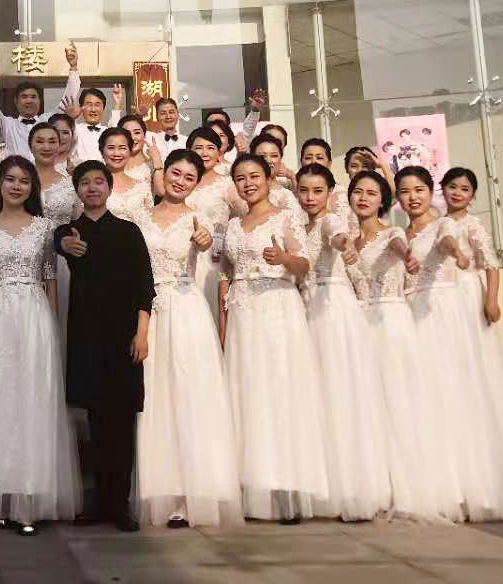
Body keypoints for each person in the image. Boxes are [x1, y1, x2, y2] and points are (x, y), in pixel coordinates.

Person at [398, 166, 503, 521]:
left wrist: (460, 256)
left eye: (419, 190)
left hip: (445, 309)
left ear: (430, 192)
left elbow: (450, 243)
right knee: (426, 396)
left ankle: (468, 484)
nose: (413, 197)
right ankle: (435, 479)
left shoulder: (449, 225)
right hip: (415, 311)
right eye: (405, 191)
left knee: (453, 390)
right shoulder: (402, 232)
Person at [0, 156, 81, 536]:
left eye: (24, 181)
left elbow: (49, 278)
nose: (17, 186)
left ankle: (29, 498)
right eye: (10, 179)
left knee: (32, 400)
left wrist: (54, 326)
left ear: (32, 188)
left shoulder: (44, 228)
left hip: (34, 315)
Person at [134, 150, 243, 528]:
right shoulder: (140, 217)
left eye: (189, 177)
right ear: (163, 175)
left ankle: (190, 492)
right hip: (148, 312)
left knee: (189, 395)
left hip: (185, 311)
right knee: (153, 398)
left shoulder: (200, 219)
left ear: (197, 183)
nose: (180, 181)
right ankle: (157, 489)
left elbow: (207, 242)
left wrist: (203, 238)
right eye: (175, 173)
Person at [219, 154, 328, 523]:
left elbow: (304, 263)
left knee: (279, 392)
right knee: (248, 393)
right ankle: (254, 490)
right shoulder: (233, 224)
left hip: (277, 307)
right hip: (242, 311)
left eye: (254, 176)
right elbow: (227, 271)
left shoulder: (286, 216)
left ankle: (287, 492)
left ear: (268, 179)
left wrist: (283, 258)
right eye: (240, 178)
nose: (248, 183)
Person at [54, 160, 154, 532]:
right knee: (95, 421)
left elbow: (145, 285)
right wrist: (63, 244)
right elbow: (55, 239)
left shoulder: (129, 231)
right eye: (85, 182)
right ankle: (98, 503)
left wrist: (141, 333)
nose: (92, 187)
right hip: (87, 335)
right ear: (77, 190)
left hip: (124, 336)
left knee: (122, 421)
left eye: (99, 181)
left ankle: (120, 505)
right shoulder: (70, 232)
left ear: (110, 188)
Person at [345, 170, 449, 522]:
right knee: (368, 407)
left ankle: (408, 489)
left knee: (397, 402)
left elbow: (401, 249)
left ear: (382, 201)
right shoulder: (349, 242)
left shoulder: (392, 234)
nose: (363, 198)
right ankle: (377, 486)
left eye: (371, 193)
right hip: (359, 324)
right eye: (358, 192)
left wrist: (409, 257)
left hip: (389, 322)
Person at [296, 164, 391, 521]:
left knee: (342, 396)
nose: (310, 197)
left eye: (318, 190)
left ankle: (354, 487)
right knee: (319, 398)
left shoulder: (331, 221)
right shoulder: (300, 226)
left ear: (330, 193)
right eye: (304, 190)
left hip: (333, 312)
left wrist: (346, 247)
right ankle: (327, 485)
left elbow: (337, 236)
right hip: (309, 311)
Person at [441, 167, 503, 477]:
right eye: (452, 186)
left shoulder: (473, 224)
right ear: (442, 189)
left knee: (477, 362)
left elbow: (491, 265)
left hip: (468, 295)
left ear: (472, 195)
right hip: (444, 299)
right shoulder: (438, 223)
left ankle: (494, 445)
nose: (457, 193)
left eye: (464, 189)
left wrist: (491, 300)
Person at [0, 43, 80, 159]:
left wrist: (73, 67)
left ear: (40, 101)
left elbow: (68, 100)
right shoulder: (7, 125)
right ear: (16, 101)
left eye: (33, 97)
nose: (29, 100)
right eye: (24, 97)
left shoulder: (48, 121)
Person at [184, 127, 244, 322]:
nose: (204, 153)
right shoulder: (181, 182)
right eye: (198, 147)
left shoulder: (227, 184)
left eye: (210, 148)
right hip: (184, 256)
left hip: (214, 260)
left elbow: (245, 216)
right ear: (189, 150)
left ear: (219, 153)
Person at [31, 123, 80, 333]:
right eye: (40, 141)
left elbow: (78, 222)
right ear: (30, 145)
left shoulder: (71, 185)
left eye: (52, 141)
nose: (46, 147)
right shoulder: (21, 183)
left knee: (63, 320)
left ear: (60, 145)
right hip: (28, 258)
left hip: (62, 261)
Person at [100, 127, 154, 224]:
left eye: (122, 148)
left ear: (130, 151)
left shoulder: (142, 187)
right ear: (102, 152)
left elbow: (150, 223)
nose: (116, 153)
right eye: (111, 148)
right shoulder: (92, 186)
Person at [250, 134, 305, 225]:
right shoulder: (245, 192)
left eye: (274, 156)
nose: (268, 160)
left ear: (281, 158)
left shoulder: (287, 197)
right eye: (262, 156)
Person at [69, 87, 118, 164]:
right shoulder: (75, 130)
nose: (93, 110)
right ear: (81, 108)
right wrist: (70, 117)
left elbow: (115, 128)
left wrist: (117, 104)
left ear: (103, 108)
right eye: (89, 105)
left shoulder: (107, 132)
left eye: (97, 105)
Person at [148, 97, 187, 162]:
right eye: (163, 113)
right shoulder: (150, 140)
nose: (168, 116)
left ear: (178, 115)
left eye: (171, 112)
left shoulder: (187, 141)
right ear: (157, 117)